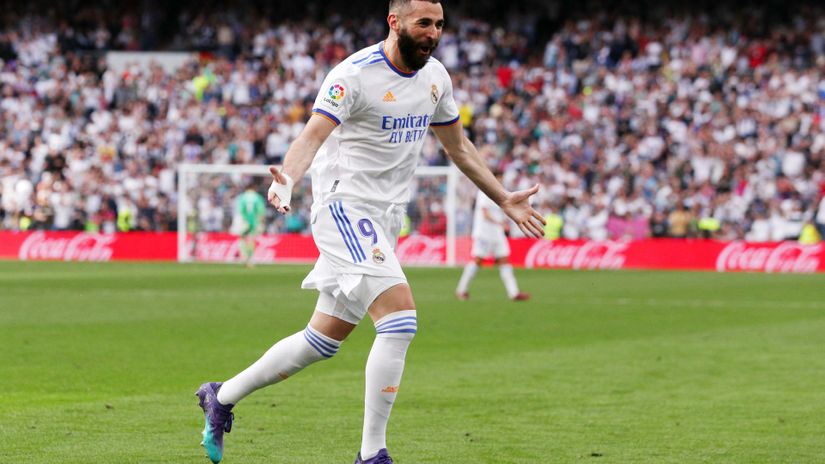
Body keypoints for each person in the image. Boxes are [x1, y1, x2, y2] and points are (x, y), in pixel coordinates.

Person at [196, 2, 545, 463]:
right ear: (394, 22)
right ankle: (372, 454)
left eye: (440, 24)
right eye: (424, 23)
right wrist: (289, 178)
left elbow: (458, 145)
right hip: (344, 208)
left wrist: (502, 196)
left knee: (321, 340)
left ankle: (220, 397)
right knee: (400, 320)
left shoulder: (436, 77)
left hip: (384, 219)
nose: (434, 33)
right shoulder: (353, 75)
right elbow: (312, 137)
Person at [455, 170, 530, 301]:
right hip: (484, 233)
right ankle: (461, 290)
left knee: (504, 259)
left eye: (501, 179)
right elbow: (485, 213)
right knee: (477, 260)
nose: (500, 182)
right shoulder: (484, 193)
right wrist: (500, 222)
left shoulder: (500, 194)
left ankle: (514, 293)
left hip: (497, 233)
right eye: (498, 179)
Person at [233, 183, 266, 267]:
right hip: (254, 222)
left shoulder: (242, 197)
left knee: (242, 238)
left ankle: (244, 257)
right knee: (251, 239)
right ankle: (250, 258)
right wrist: (261, 222)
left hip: (245, 222)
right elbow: (261, 211)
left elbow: (240, 210)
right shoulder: (257, 197)